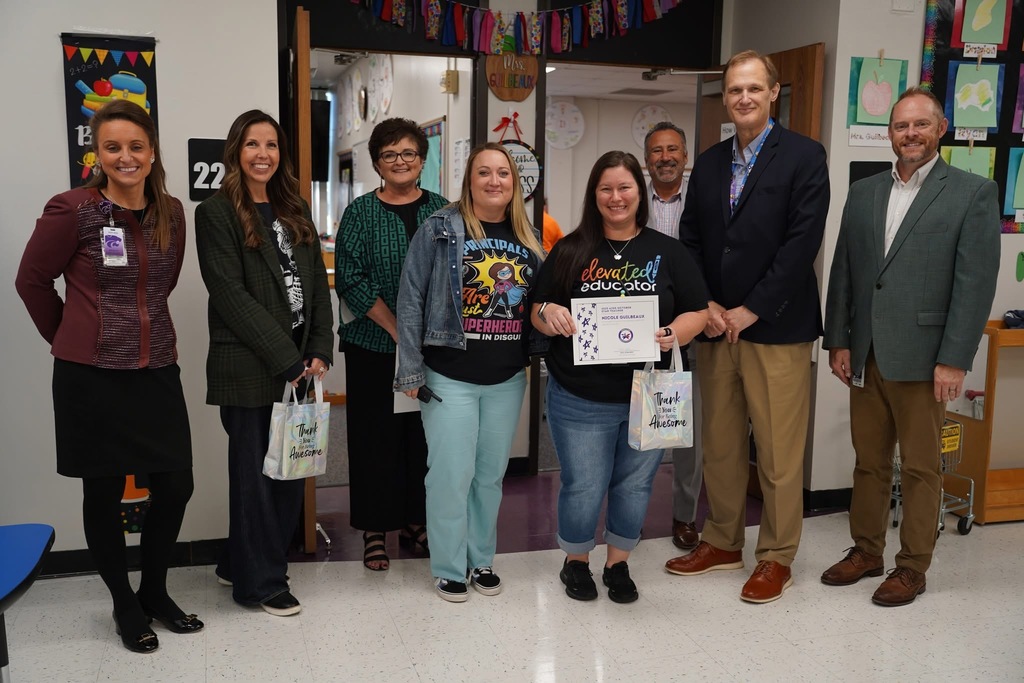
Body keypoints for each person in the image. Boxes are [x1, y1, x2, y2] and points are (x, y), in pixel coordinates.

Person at [15, 99, 201, 653]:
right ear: (96, 152)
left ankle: (155, 592)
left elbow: (160, 287)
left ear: (151, 151)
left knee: (175, 484)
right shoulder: (71, 209)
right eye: (113, 147)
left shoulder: (170, 210)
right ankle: (123, 604)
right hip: (89, 376)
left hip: (155, 366)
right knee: (103, 492)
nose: (126, 157)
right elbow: (31, 281)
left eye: (136, 146)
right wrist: (70, 337)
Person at [821, 87, 1000, 606]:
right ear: (890, 134)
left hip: (926, 360)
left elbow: (974, 283)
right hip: (865, 353)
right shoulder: (865, 191)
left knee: (922, 467)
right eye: (901, 126)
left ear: (940, 129)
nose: (911, 135)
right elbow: (844, 274)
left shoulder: (972, 192)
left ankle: (912, 566)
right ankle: (866, 551)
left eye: (921, 125)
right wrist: (838, 339)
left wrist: (954, 358)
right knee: (868, 461)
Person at [668, 49, 830, 604]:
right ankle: (722, 540)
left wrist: (752, 308)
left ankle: (777, 555)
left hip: (776, 327)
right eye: (735, 89)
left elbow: (800, 244)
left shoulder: (805, 157)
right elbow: (690, 240)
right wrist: (707, 305)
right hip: (716, 327)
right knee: (721, 444)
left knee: (780, 454)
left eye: (753, 89)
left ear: (774, 92)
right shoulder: (710, 162)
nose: (742, 98)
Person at [532, 151, 708, 604]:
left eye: (625, 187)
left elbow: (699, 311)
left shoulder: (667, 251)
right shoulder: (570, 249)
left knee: (635, 484)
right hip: (579, 395)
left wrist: (674, 332)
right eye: (606, 188)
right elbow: (536, 307)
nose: (616, 197)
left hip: (647, 395)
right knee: (584, 484)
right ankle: (575, 562)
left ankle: (618, 563)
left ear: (639, 192)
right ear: (595, 195)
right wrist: (548, 312)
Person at [195, 110, 334, 617]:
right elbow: (230, 296)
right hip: (252, 367)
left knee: (289, 473)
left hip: (299, 365)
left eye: (271, 144)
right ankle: (261, 583)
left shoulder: (294, 208)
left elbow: (317, 286)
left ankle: (239, 560)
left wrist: (319, 347)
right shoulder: (215, 212)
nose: (262, 154)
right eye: (252, 144)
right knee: (256, 481)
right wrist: (287, 361)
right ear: (235, 152)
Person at [395, 142, 544, 602]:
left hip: (506, 379)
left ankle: (481, 560)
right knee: (449, 475)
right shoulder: (439, 228)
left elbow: (539, 306)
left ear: (514, 183)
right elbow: (411, 298)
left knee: (488, 476)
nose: (494, 181)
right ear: (469, 180)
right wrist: (411, 371)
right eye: (485, 172)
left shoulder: (530, 236)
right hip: (449, 376)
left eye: (503, 173)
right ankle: (447, 566)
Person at [335, 118, 447, 571]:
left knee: (422, 438)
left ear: (422, 159)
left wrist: (425, 334)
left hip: (434, 349)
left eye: (408, 153)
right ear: (378, 162)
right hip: (372, 348)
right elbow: (350, 280)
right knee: (373, 440)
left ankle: (415, 521)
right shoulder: (360, 212)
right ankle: (375, 530)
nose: (400, 162)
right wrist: (399, 330)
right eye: (390, 155)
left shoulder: (443, 210)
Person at [642, 121, 703, 551]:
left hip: (692, 327)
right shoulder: (628, 200)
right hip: (635, 331)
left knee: (687, 432)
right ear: (646, 161)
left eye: (673, 150)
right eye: (657, 151)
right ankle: (630, 515)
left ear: (685, 156)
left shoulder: (705, 201)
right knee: (637, 425)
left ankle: (684, 517)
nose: (665, 157)